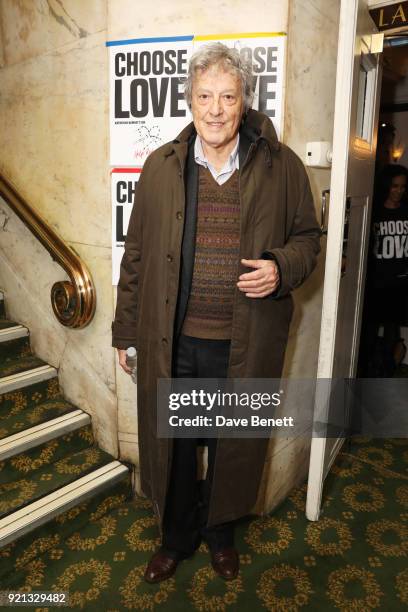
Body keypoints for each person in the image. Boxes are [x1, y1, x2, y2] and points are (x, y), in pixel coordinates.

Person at [112, 42, 321, 583]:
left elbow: (308, 239)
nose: (215, 108)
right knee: (177, 444)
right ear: (188, 99)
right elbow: (135, 256)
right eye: (204, 95)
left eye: (228, 96)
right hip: (174, 340)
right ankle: (176, 536)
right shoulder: (160, 168)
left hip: (243, 339)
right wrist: (125, 328)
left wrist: (281, 267)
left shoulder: (283, 166)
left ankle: (220, 533)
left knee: (233, 441)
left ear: (245, 100)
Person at [359, 163, 408, 377]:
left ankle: (385, 372)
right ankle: (365, 371)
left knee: (392, 329)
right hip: (376, 282)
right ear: (386, 186)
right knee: (369, 329)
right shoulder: (374, 212)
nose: (399, 191)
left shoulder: (407, 211)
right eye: (394, 186)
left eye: (403, 187)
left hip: (401, 282)